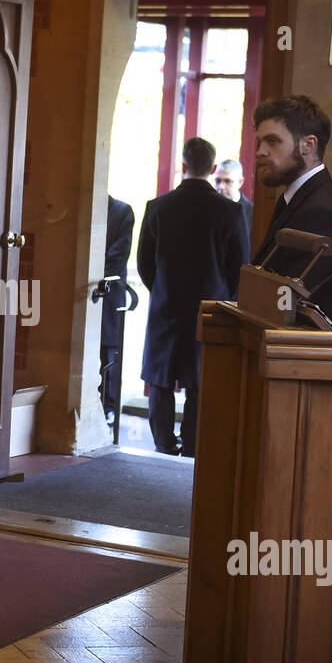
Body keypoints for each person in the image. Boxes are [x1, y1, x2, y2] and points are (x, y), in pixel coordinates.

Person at [137, 137, 248, 457]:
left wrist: (162, 289)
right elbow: (240, 266)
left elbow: (145, 263)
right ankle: (192, 444)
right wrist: (224, 297)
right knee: (199, 380)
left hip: (166, 304)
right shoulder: (229, 211)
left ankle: (163, 442)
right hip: (210, 306)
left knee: (160, 377)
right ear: (213, 169)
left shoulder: (158, 207)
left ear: (183, 166)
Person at [250, 95, 332, 332]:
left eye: (272, 141)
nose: (260, 152)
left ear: (308, 145)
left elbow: (292, 305)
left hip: (301, 359)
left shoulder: (321, 210)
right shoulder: (298, 198)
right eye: (259, 142)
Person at [100, 195, 135, 425]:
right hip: (81, 295)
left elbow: (118, 258)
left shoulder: (122, 212)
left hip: (109, 297)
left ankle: (109, 409)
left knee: (110, 355)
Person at [214, 158, 253, 237]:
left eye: (227, 181)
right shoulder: (208, 207)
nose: (221, 187)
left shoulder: (252, 212)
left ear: (240, 182)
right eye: (218, 181)